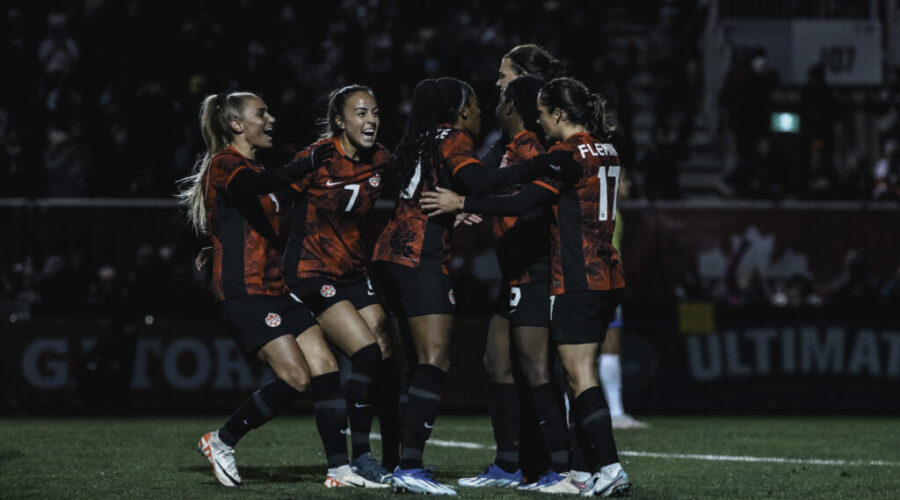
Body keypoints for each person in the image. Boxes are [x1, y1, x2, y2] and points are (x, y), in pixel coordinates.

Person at [422, 77, 633, 496]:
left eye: (542, 112)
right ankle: (581, 473)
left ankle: (609, 468)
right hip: (608, 274)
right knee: (580, 374)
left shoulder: (567, 154)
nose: (537, 119)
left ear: (558, 113)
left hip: (578, 276)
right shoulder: (605, 148)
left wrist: (464, 202)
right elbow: (531, 171)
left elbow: (521, 201)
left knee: (579, 376)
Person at [177, 91, 384, 489]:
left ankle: (339, 470)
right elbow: (261, 185)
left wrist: (323, 175)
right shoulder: (226, 164)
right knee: (295, 379)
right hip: (247, 292)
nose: (270, 118)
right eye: (261, 113)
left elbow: (282, 195)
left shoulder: (256, 170)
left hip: (277, 287)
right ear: (237, 125)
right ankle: (222, 440)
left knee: (325, 365)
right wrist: (304, 163)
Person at [371, 77, 568, 495]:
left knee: (405, 365)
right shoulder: (454, 136)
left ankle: (389, 460)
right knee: (435, 361)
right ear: (461, 112)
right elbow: (476, 181)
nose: (482, 112)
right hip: (419, 259)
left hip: (389, 254)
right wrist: (535, 168)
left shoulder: (423, 137)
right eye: (476, 105)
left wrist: (453, 212)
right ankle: (409, 467)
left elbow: (425, 190)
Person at [456, 74, 573, 493]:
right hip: (514, 273)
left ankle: (560, 468)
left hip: (535, 270)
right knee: (498, 362)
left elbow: (530, 205)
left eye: (503, 96)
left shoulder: (533, 150)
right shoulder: (507, 150)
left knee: (537, 369)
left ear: (515, 107)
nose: (497, 104)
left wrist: (472, 205)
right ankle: (510, 463)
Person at [276, 85, 398, 485]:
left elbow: (411, 195)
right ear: (341, 122)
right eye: (361, 113)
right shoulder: (317, 159)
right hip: (312, 272)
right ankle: (360, 456)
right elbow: (272, 201)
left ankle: (385, 456)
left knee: (382, 348)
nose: (371, 120)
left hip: (353, 272)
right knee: (364, 352)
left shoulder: (381, 160)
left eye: (375, 112)